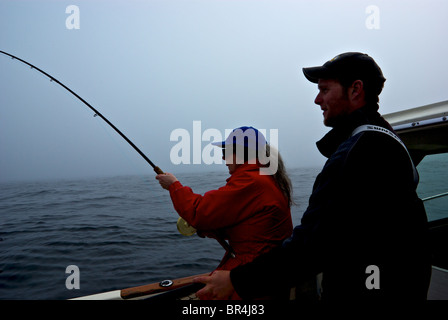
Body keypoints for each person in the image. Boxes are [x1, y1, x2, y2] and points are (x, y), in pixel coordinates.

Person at [194, 52, 432, 301]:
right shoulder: (389, 140)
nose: (317, 100)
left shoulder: (357, 153)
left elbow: (312, 244)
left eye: (325, 90)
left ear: (355, 90)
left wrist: (237, 280)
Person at [156, 126, 294, 299]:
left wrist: (173, 185)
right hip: (263, 276)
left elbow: (198, 212)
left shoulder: (252, 181)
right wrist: (207, 230)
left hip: (250, 280)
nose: (223, 157)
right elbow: (252, 230)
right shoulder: (266, 178)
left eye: (226, 151)